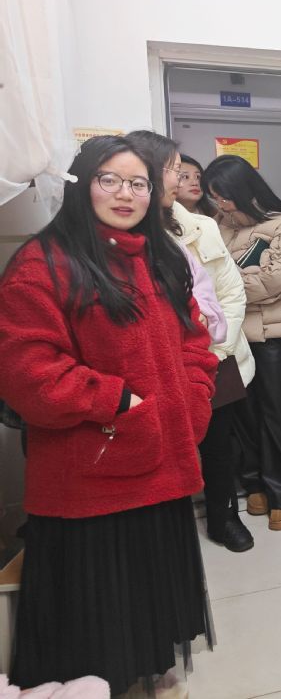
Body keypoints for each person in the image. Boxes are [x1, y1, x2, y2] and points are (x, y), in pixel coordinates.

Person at [0, 136, 218, 696]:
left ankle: (148, 671)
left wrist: (194, 400)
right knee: (98, 609)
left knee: (149, 589)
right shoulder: (44, 263)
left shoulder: (161, 257)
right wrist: (116, 401)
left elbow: (196, 342)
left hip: (162, 460)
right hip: (92, 473)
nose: (126, 194)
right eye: (109, 180)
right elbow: (27, 372)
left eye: (139, 183)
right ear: (82, 185)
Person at [127, 131, 257, 553]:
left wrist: (217, 349)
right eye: (173, 169)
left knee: (220, 444)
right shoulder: (127, 235)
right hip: (160, 364)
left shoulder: (200, 226)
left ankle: (224, 517)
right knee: (163, 446)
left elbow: (231, 292)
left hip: (216, 356)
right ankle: (169, 527)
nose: (180, 178)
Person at [203, 155, 281, 531]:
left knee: (276, 411)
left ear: (244, 190)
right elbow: (205, 276)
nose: (220, 203)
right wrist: (227, 288)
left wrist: (227, 289)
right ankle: (255, 484)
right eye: (214, 196)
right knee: (243, 412)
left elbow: (278, 280)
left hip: (274, 336)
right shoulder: (218, 226)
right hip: (234, 336)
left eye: (224, 195)